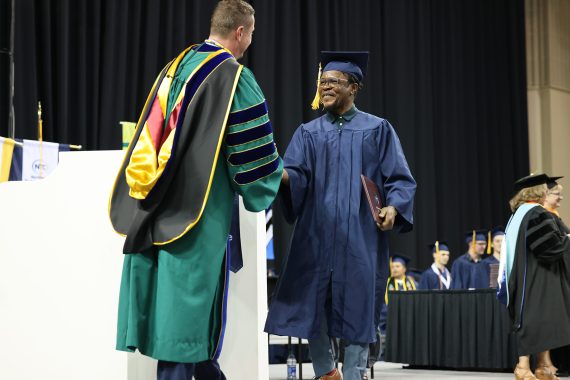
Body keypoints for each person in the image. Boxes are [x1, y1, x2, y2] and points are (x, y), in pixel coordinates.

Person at [108, 1, 283, 379]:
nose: (250, 42)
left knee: (178, 324)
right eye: (251, 34)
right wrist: (277, 177)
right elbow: (253, 161)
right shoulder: (233, 77)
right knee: (183, 328)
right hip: (197, 219)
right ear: (240, 32)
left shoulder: (176, 66)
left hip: (153, 212)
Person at [264, 51, 416, 380]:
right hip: (316, 236)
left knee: (360, 307)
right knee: (311, 303)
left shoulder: (378, 130)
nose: (325, 88)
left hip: (360, 237)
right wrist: (282, 173)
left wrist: (394, 207)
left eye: (333, 82)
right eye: (322, 83)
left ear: (354, 87)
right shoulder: (308, 133)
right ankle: (325, 371)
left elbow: (400, 180)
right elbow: (296, 175)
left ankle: (354, 372)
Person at [497, 173, 570, 380]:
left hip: (528, 274)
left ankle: (544, 366)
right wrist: (567, 240)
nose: (548, 192)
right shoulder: (537, 213)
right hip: (539, 276)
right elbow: (549, 247)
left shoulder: (519, 214)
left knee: (542, 319)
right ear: (538, 191)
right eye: (546, 189)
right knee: (534, 319)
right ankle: (523, 367)